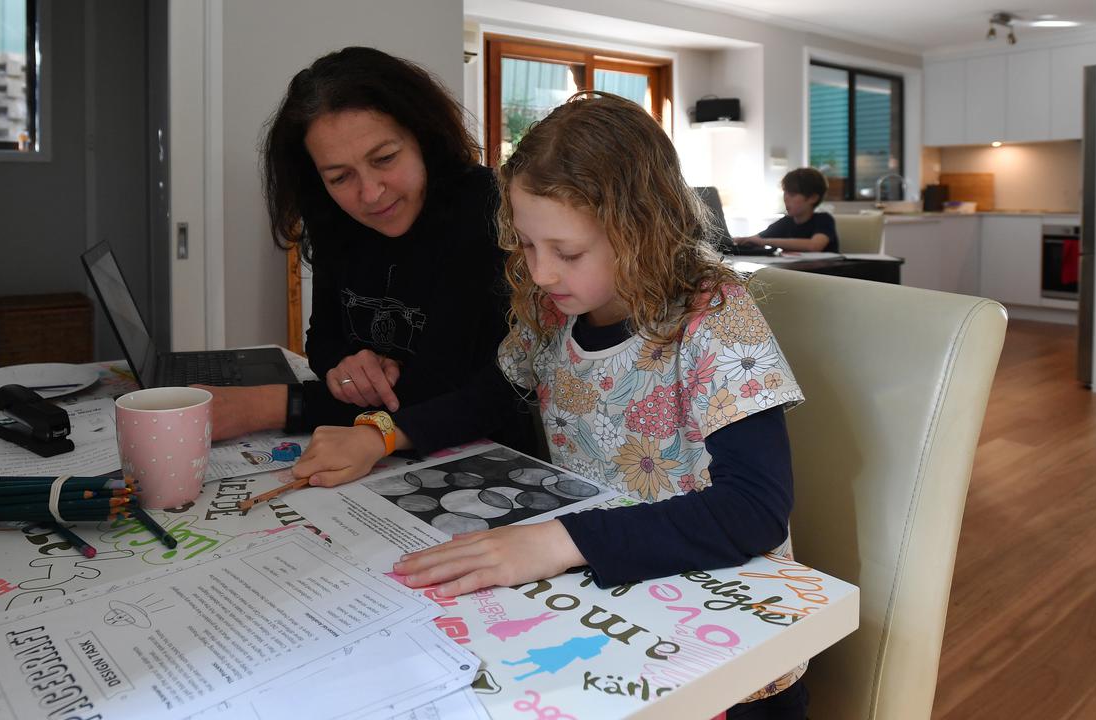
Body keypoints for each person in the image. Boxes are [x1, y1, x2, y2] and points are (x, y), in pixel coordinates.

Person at [393, 92, 810, 719]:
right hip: (613, 603)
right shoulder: (551, 312)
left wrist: (559, 540)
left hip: (731, 655)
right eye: (528, 246)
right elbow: (492, 395)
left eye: (567, 253)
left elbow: (755, 509)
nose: (540, 273)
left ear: (642, 233)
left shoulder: (714, 318)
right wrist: (383, 434)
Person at [205, 46, 533, 486]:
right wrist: (348, 366)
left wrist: (264, 406)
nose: (371, 194)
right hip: (384, 449)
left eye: (384, 159)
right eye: (340, 177)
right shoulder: (333, 218)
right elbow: (322, 340)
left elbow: (439, 386)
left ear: (423, 136)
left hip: (488, 457)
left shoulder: (482, 210)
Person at [734, 167, 840, 253]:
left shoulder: (824, 219)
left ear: (813, 198)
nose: (786, 198)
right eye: (785, 193)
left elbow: (814, 245)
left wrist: (765, 241)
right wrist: (738, 240)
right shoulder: (786, 222)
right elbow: (756, 239)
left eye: (792, 194)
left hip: (826, 275)